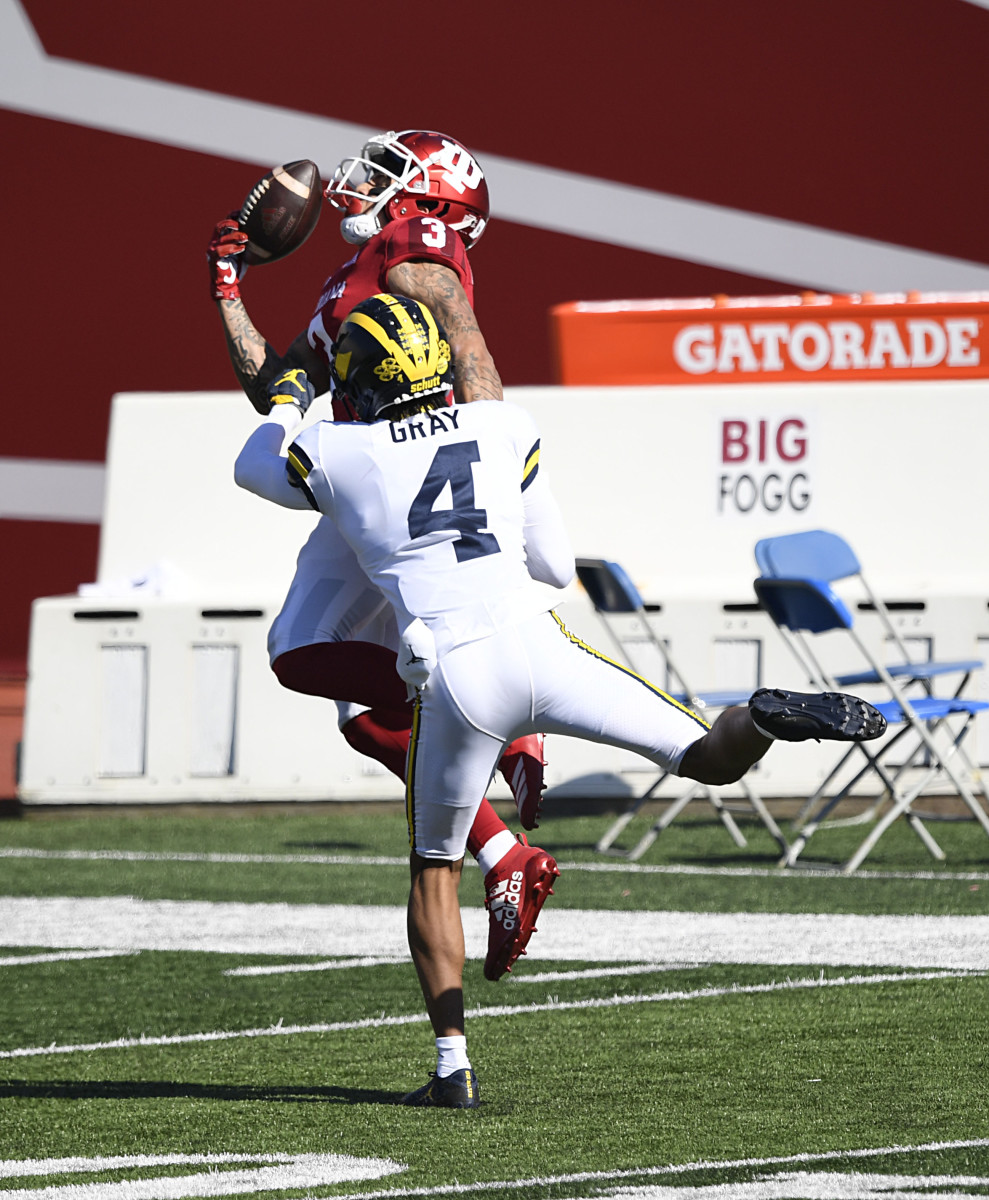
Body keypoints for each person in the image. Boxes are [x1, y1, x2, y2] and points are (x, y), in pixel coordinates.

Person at [233, 292, 888, 1109]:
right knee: (707, 758)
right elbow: (549, 562)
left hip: (457, 674)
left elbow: (253, 464)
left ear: (361, 381)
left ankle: (450, 1067)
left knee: (434, 869)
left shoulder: (341, 452)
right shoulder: (503, 427)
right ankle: (759, 718)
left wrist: (292, 398)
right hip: (542, 643)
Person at [206, 129, 556, 982]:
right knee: (357, 709)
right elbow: (280, 384)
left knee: (308, 656)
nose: (360, 183)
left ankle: (504, 744)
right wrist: (227, 286)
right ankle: (504, 840)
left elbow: (467, 345)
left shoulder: (416, 244)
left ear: (428, 199)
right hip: (369, 482)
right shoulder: (348, 282)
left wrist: (482, 465)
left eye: (387, 173)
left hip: (403, 477)